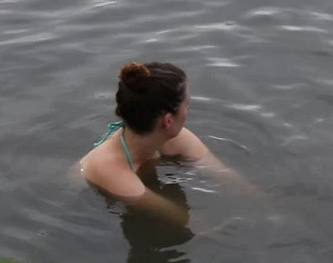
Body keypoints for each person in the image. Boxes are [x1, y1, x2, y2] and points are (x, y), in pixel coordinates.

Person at [77, 61, 237, 223]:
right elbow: (184, 220)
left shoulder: (173, 138)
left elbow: (227, 177)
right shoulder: (111, 171)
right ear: (168, 121)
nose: (189, 111)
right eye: (187, 106)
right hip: (79, 207)